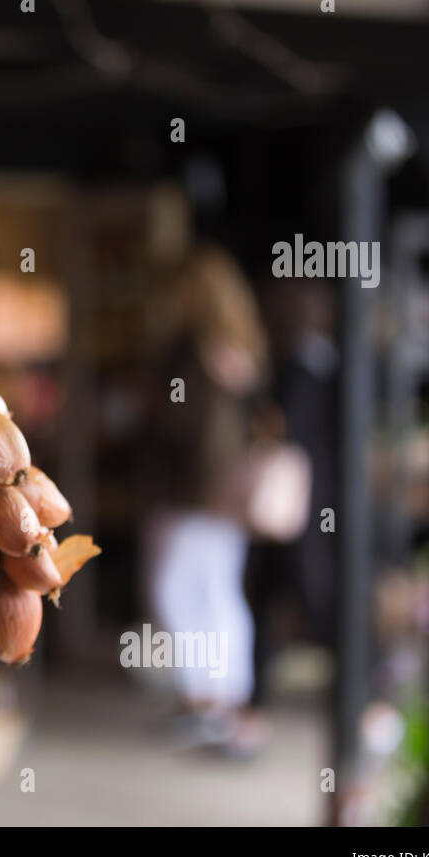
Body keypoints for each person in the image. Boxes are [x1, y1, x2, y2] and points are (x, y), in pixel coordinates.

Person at [140, 244, 270, 758]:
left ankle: (210, 702)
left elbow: (187, 425)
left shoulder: (196, 348)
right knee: (217, 592)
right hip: (222, 492)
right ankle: (219, 702)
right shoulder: (236, 346)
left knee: (180, 589)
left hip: (196, 492)